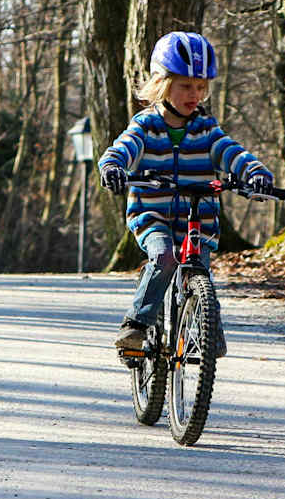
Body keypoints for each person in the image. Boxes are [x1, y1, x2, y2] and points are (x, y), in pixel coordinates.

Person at [97, 31, 273, 353]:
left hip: (198, 218)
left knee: (200, 269)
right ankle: (136, 324)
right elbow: (122, 149)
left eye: (201, 86)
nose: (195, 94)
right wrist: (113, 168)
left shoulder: (205, 128)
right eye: (186, 86)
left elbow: (230, 151)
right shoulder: (146, 125)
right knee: (164, 257)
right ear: (163, 84)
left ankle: (206, 332)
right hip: (152, 214)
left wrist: (255, 173)